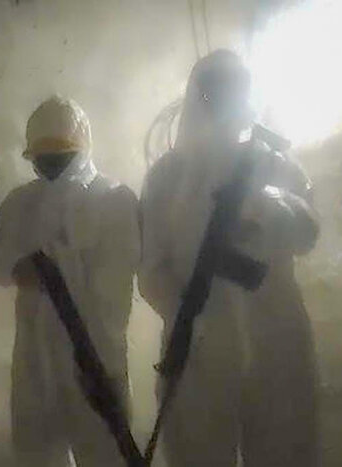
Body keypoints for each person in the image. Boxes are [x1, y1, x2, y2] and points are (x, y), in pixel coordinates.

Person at [139, 49, 319, 467]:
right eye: (214, 91)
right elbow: (151, 271)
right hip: (200, 358)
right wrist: (190, 320)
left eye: (232, 89)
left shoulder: (276, 166)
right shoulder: (167, 177)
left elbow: (307, 234)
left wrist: (270, 207)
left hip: (277, 347)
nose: (222, 101)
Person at [0, 96, 140, 466]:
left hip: (94, 358)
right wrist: (20, 268)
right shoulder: (21, 202)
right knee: (38, 455)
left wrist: (102, 366)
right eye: (43, 157)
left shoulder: (112, 199)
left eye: (60, 156)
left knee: (103, 455)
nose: (51, 165)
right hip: (34, 362)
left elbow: (113, 292)